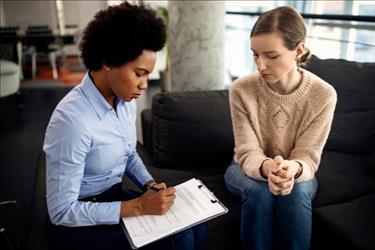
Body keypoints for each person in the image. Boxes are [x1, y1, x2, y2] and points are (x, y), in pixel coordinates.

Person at [43, 2, 206, 250]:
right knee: (178, 238)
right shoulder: (72, 121)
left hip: (115, 197)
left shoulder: (124, 99)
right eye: (139, 73)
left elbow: (128, 154)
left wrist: (149, 186)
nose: (144, 85)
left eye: (147, 75)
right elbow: (62, 212)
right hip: (78, 222)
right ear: (108, 61)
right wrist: (139, 206)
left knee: (197, 224)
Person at [224, 6, 337, 250]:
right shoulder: (241, 90)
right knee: (260, 190)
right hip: (245, 168)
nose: (260, 65)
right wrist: (267, 169)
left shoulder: (324, 95)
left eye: (271, 56)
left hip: (297, 171)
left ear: (298, 50)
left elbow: (308, 157)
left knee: (294, 192)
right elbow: (247, 151)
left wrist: (291, 170)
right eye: (255, 54)